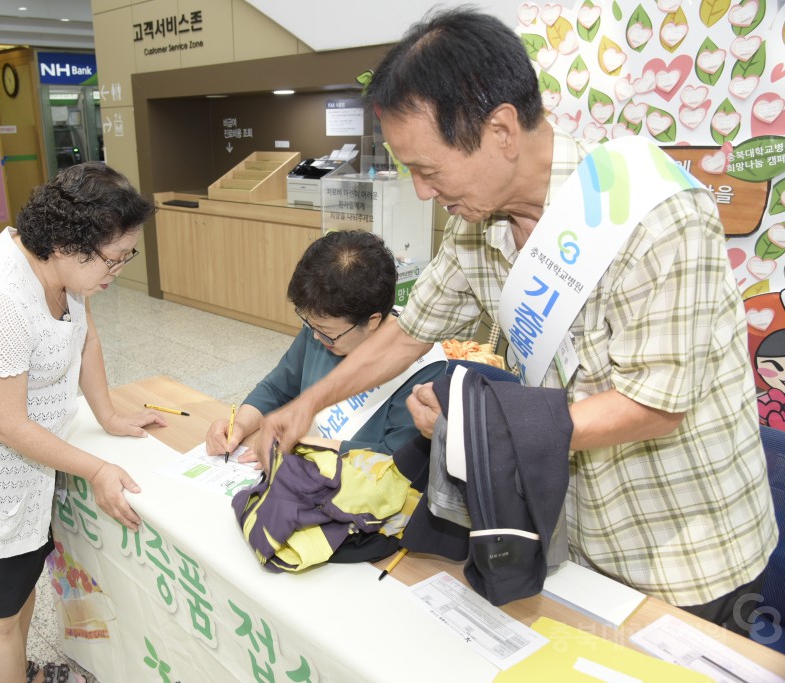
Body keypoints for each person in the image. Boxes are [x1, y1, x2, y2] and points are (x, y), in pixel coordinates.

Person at [257, 8, 777, 634]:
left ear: (501, 129)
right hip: (569, 528)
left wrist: (471, 432)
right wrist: (308, 404)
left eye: (427, 168)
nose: (422, 192)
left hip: (680, 549)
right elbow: (409, 330)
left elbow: (653, 405)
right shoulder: (477, 222)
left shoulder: (654, 215)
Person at [0, 162, 166, 683]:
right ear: (67, 244)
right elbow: (6, 424)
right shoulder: (0, 301)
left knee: (19, 590)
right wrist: (96, 467)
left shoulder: (59, 274)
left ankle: (25, 673)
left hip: (23, 474)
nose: (118, 271)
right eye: (113, 260)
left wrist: (107, 414)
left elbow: (83, 336)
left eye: (125, 256)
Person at [205, 230, 445, 461]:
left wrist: (304, 448)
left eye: (327, 333)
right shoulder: (322, 328)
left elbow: (395, 456)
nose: (316, 338)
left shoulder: (422, 366)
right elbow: (277, 388)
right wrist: (240, 425)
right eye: (311, 326)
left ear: (372, 320)